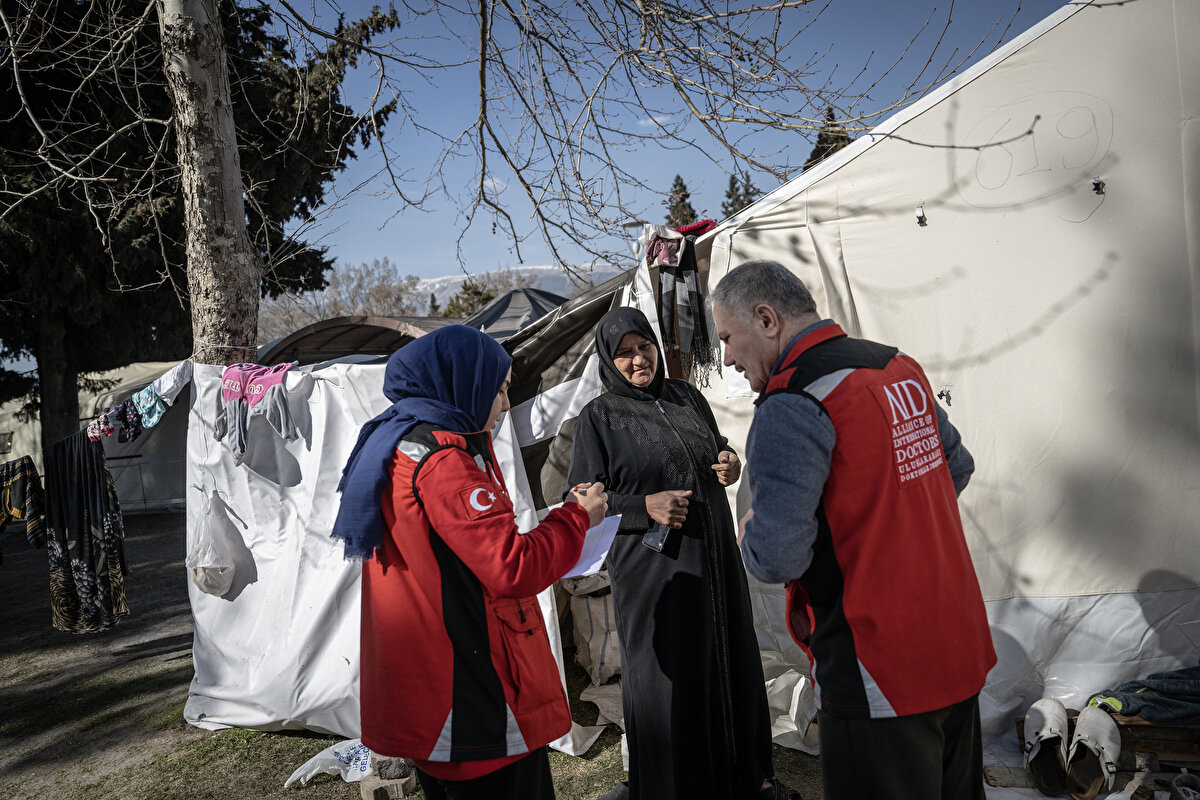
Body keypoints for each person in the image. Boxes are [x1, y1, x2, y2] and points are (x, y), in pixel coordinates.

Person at [710, 260, 997, 800]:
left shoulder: (792, 400)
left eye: (727, 337)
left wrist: (750, 531)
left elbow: (777, 558)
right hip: (955, 642)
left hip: (876, 667)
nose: (725, 356)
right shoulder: (896, 366)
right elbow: (953, 468)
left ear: (767, 320)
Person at [331, 325, 608, 800]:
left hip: (430, 684)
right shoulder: (443, 461)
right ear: (463, 383)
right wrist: (575, 518)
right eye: (500, 390)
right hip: (469, 690)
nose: (503, 406)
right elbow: (512, 567)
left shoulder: (394, 443)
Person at [568, 307, 797, 800]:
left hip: (715, 564)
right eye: (625, 353)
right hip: (656, 577)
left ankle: (743, 778)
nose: (637, 360)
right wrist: (642, 506)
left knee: (728, 661)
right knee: (670, 681)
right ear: (610, 359)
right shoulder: (598, 419)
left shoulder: (687, 396)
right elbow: (582, 505)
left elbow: (714, 446)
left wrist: (728, 461)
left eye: (644, 347)